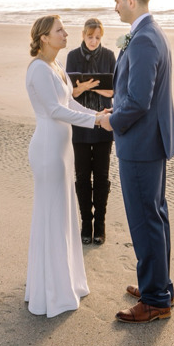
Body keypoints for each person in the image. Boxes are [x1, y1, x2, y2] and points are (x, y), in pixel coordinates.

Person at [95, 0, 174, 323]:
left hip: (141, 144)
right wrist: (118, 109)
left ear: (131, 1)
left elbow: (139, 100)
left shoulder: (144, 39)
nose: (114, 6)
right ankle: (158, 286)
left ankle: (156, 299)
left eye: (117, 0)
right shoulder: (150, 33)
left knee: (145, 220)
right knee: (155, 216)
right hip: (150, 140)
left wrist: (110, 120)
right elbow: (138, 95)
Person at [24, 15, 111, 317]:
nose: (65, 33)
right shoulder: (37, 69)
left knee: (63, 215)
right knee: (51, 216)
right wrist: (96, 121)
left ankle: (65, 283)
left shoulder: (57, 67)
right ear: (45, 38)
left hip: (62, 150)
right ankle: (49, 292)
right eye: (59, 30)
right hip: (47, 149)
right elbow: (54, 110)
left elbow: (71, 104)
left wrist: (98, 114)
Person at [66, 18, 116, 245]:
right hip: (80, 125)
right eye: (89, 37)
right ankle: (86, 223)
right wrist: (83, 87)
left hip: (104, 122)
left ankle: (100, 225)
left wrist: (105, 91)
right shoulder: (73, 56)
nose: (94, 41)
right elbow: (69, 95)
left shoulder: (109, 56)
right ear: (83, 35)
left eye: (97, 37)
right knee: (82, 176)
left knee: (102, 176)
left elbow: (117, 90)